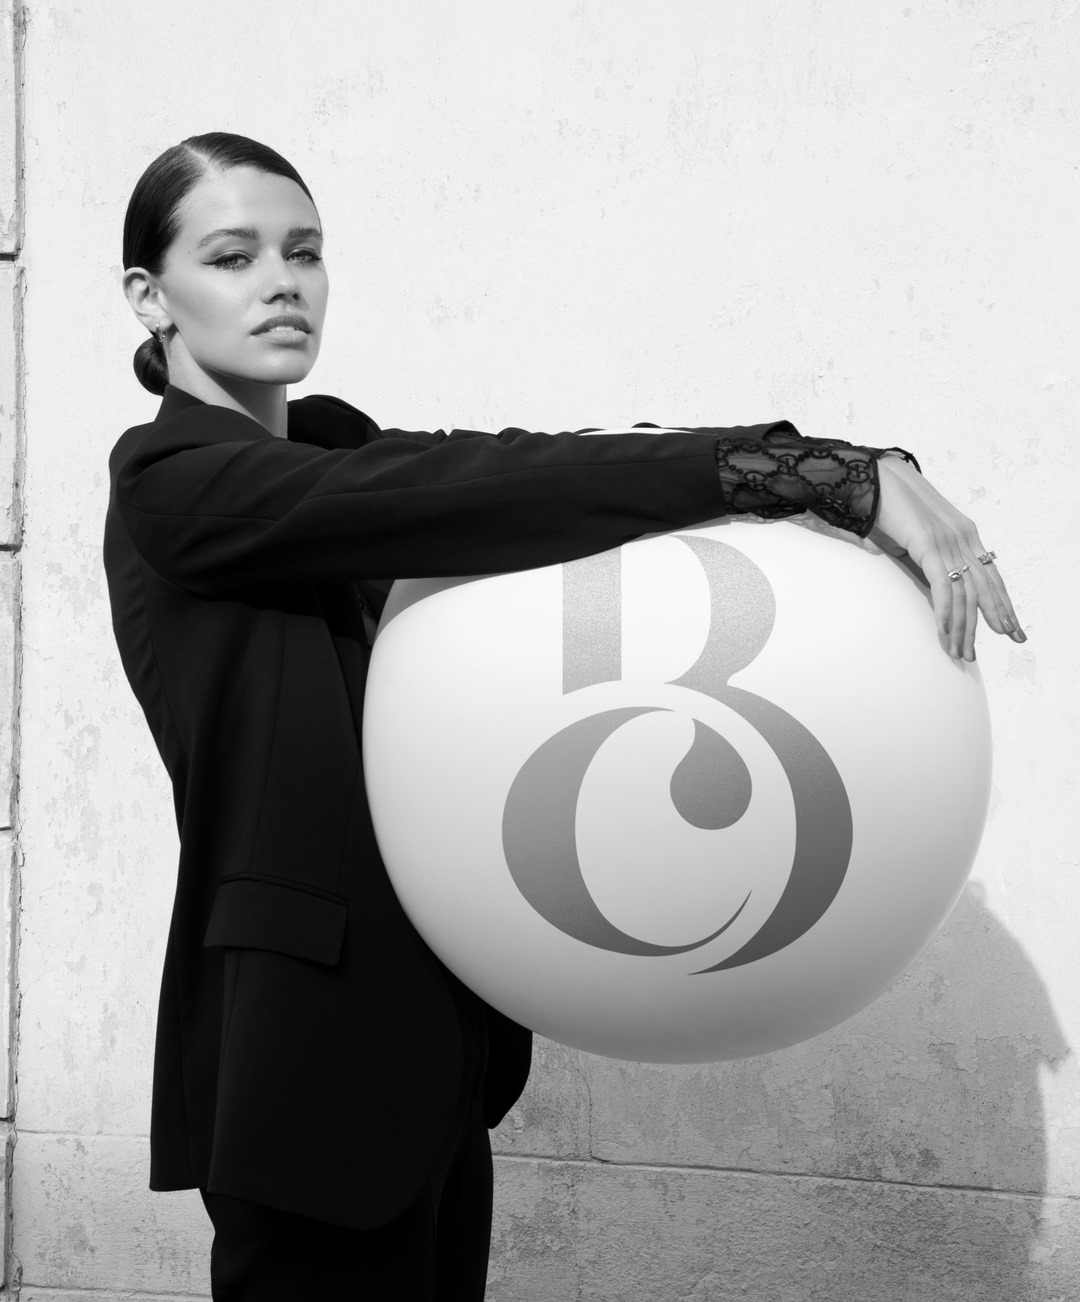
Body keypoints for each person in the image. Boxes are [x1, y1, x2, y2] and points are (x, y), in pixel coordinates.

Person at [103, 132, 1024, 1302]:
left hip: (437, 1048)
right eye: (233, 257)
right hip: (306, 1057)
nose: (283, 283)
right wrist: (813, 473)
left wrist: (821, 475)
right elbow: (469, 494)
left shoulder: (334, 446)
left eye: (306, 251)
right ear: (151, 296)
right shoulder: (176, 487)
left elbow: (521, 471)